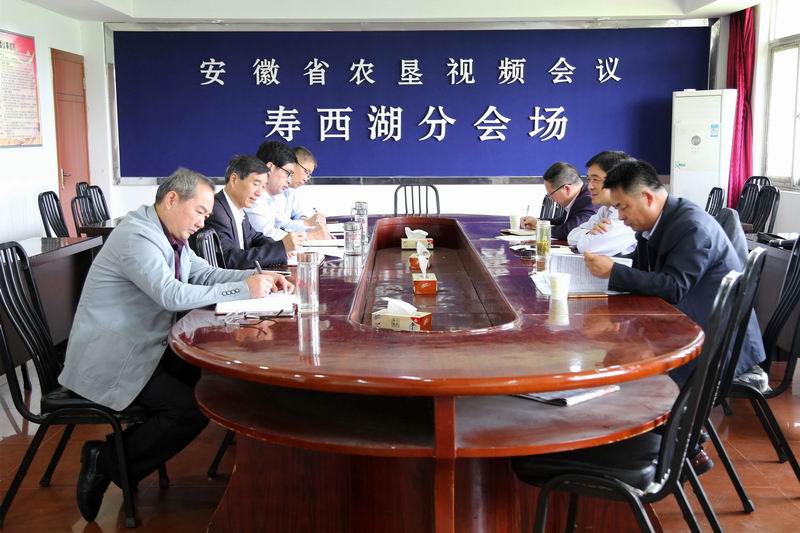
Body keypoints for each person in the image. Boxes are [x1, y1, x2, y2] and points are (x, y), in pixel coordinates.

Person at [58, 168, 293, 522]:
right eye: (199, 211)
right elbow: (171, 295)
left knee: (212, 384)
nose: (202, 222)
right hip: (113, 358)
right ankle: (104, 461)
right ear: (171, 199)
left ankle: (126, 458)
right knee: (191, 408)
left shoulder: (167, 235)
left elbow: (205, 273)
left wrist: (258, 276)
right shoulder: (137, 237)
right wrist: (244, 289)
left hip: (145, 347)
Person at [583, 158, 766, 386]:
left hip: (716, 343)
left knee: (626, 373)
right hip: (688, 323)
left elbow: (674, 287)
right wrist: (613, 269)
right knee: (617, 353)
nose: (620, 216)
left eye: (622, 207)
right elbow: (643, 269)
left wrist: (613, 271)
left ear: (647, 197)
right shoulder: (658, 221)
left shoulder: (692, 227)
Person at [205, 154, 303, 268]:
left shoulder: (238, 208)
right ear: (234, 179)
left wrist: (281, 248)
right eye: (256, 184)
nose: (259, 193)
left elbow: (256, 237)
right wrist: (280, 248)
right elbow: (228, 260)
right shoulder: (216, 211)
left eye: (263, 186)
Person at [566, 150, 637, 256]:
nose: (590, 187)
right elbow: (571, 235)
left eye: (595, 179)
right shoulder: (606, 209)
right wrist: (589, 233)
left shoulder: (628, 211)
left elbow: (588, 247)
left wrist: (588, 237)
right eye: (589, 180)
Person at [521, 162, 599, 240]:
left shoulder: (589, 200)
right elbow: (563, 221)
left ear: (567, 189)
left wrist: (540, 226)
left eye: (550, 194)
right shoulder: (577, 196)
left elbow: (569, 230)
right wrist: (539, 221)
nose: (550, 198)